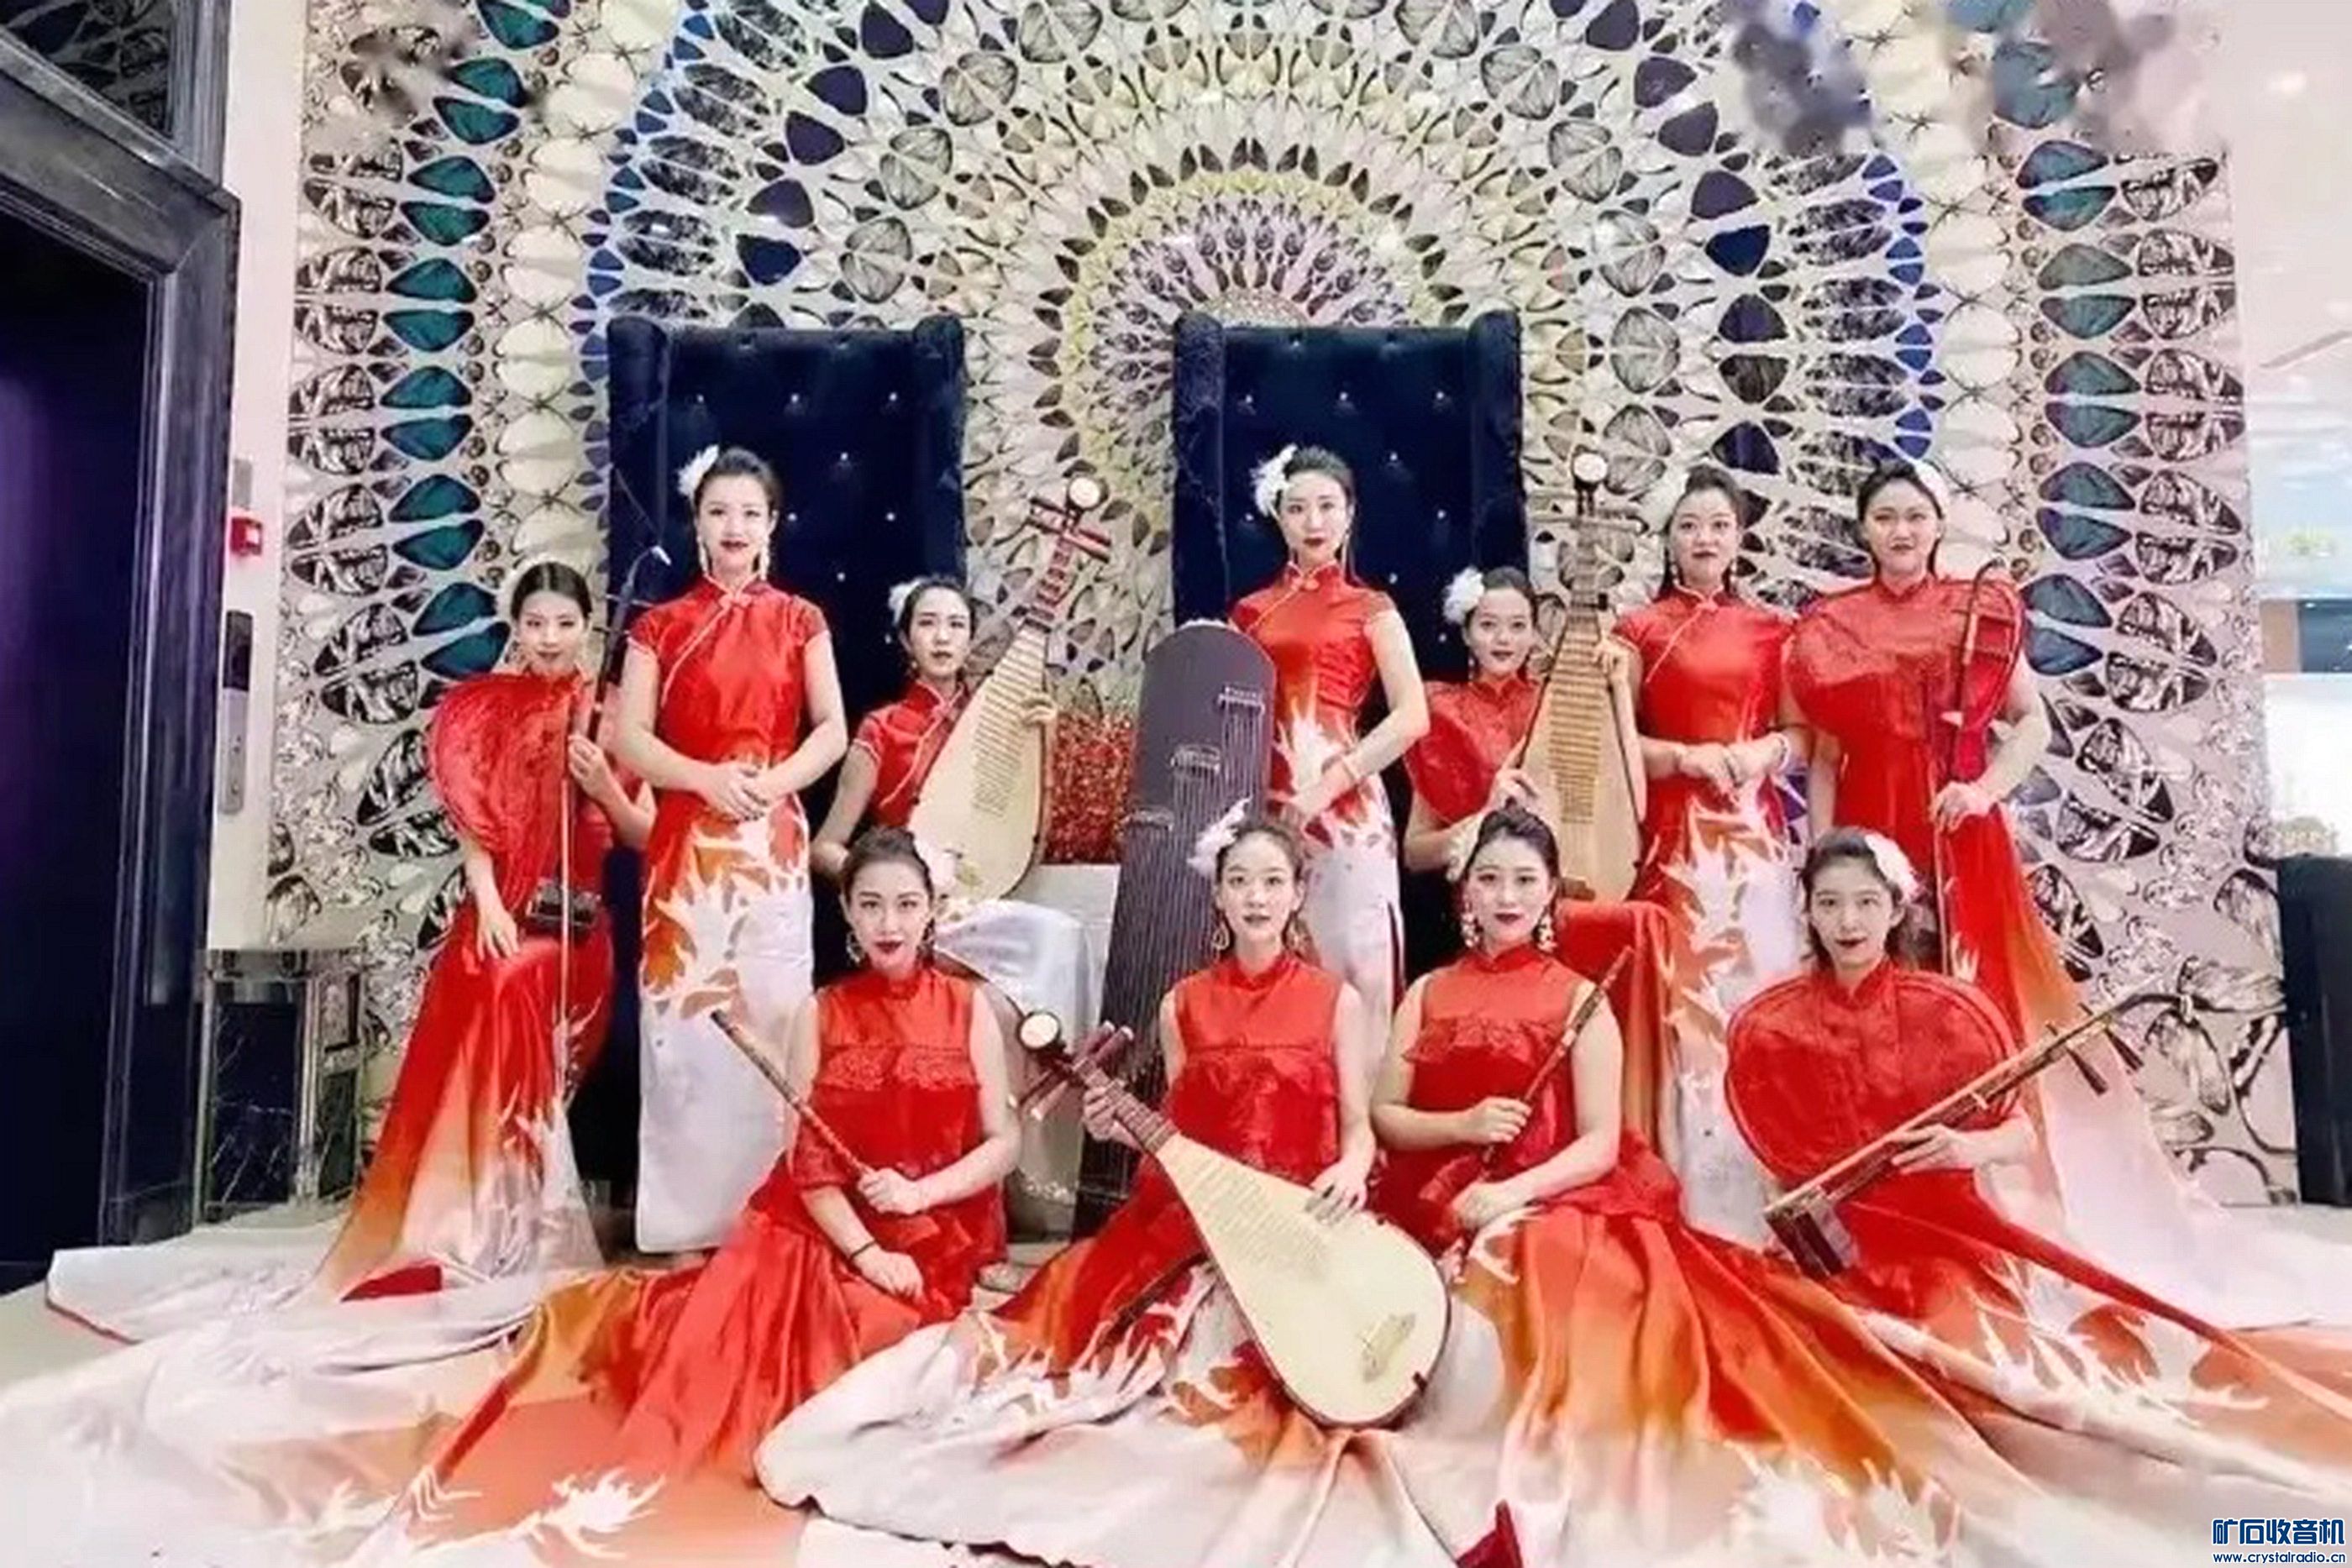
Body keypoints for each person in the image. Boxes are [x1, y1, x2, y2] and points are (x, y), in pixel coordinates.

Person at [1368, 802, 2144, 1566]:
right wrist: (1462, 1125)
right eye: (1490, 878)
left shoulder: (1581, 998)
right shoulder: (1427, 992)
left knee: (1538, 1271)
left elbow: (1600, 1142)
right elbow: (1386, 1116)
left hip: (1573, 1197)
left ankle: (1553, 1450)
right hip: (1440, 1190)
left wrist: (1961, 1146)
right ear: (1464, 889)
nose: (1506, 895)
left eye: (1524, 879)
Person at [758, 815, 1456, 1568]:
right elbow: (1185, 1141)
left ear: (1298, 893)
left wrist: (1350, 1167)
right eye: (1239, 881)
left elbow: (1358, 1128)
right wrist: (1121, 1129)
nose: (1256, 897)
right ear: (1218, 896)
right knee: (1140, 1368)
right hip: (1208, 1226)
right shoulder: (1182, 1003)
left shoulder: (1336, 1001)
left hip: (1305, 1216)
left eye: (1271, 882)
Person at [1786, 459, 2350, 1325]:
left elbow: (2031, 724)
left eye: (1914, 515)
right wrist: (1825, 857)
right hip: (1872, 829)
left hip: (1958, 832)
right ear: (1862, 528)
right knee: (1874, 1007)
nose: (1900, 530)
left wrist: (1984, 791)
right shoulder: (1830, 624)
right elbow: (1825, 757)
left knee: (1974, 1005)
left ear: (1937, 524)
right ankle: (1886, 1198)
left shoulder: (1978, 609)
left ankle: (1992, 1198)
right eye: (1885, 516)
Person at [352, 826, 1016, 1560]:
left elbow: (1003, 1142)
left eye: (906, 904)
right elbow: (808, 1162)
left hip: (933, 1230)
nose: (889, 922)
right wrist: (865, 1251)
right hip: (820, 1226)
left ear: (931, 910)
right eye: (870, 904)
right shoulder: (820, 1012)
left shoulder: (971, 1008)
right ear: (848, 915)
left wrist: (920, 1196)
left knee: (915, 1363)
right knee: (788, 1357)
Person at [46, 560, 652, 1338]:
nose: (550, 638)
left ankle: (520, 1217)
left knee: (526, 1018)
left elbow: (643, 832)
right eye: (535, 623)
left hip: (579, 930)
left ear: (588, 627)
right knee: (499, 986)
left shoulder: (611, 714)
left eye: (564, 624)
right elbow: (475, 835)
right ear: (515, 626)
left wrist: (603, 785)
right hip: (503, 913)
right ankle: (473, 1229)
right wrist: (492, 906)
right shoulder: (483, 710)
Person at [1726, 830, 2352, 1528]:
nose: (1849, 921)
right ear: (1808, 911)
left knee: (1981, 1356)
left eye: (1867, 902)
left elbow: (2020, 1135)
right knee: (1781, 1346)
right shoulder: (1773, 1025)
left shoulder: (1947, 1012)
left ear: (1897, 908)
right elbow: (1777, 1155)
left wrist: (1964, 1146)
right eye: (1830, 903)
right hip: (1841, 1242)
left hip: (1949, 1237)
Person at [614, 445, 847, 1256]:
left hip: (771, 845)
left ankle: (773, 1214)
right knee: (685, 1032)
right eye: (719, 511)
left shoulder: (801, 619)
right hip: (685, 846)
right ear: (697, 523)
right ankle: (685, 1222)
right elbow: (630, 737)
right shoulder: (658, 627)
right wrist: (704, 778)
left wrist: (773, 783)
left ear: (773, 523)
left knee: (774, 1017)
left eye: (751, 512)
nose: (735, 526)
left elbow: (832, 730)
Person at [811, 574, 1096, 1233]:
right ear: (906, 638)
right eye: (928, 623)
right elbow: (825, 845)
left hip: (970, 909)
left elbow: (1030, 841)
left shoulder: (999, 719)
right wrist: (892, 885)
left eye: (956, 625)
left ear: (972, 640)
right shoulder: (882, 728)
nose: (942, 637)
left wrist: (1046, 744)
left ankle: (1020, 1141)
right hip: (909, 916)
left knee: (1049, 951)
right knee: (1014, 979)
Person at [1398, 565, 1681, 1180]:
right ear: (1466, 632)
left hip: (1559, 899)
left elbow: (1631, 803)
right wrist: (1485, 814)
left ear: (1537, 632)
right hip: (1485, 909)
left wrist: (1617, 695)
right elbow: (1417, 852)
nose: (1503, 639)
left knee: (1634, 924)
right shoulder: (1441, 709)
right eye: (1488, 625)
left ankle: (1604, 1134)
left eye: (1518, 626)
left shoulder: (1561, 698)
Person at [1610, 468, 1805, 1241]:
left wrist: (1761, 754)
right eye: (1689, 525)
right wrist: (1685, 758)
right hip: (1676, 845)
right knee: (1688, 1014)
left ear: (1739, 536)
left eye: (1719, 525)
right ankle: (1694, 1197)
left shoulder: (1772, 629)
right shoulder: (1636, 630)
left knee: (1759, 996)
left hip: (1754, 843)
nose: (1705, 538)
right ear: (1667, 537)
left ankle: (1771, 1189)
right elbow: (1614, 741)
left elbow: (1802, 737)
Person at [1231, 444, 1428, 1046]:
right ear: (1278, 517)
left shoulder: (1372, 608)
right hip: (1268, 808)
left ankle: (1364, 1102)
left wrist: (1328, 786)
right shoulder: (1249, 612)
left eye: (1327, 506)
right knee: (1277, 964)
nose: (1313, 521)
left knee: (1357, 965)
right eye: (1297, 508)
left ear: (1349, 515)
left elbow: (1413, 716)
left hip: (1348, 813)